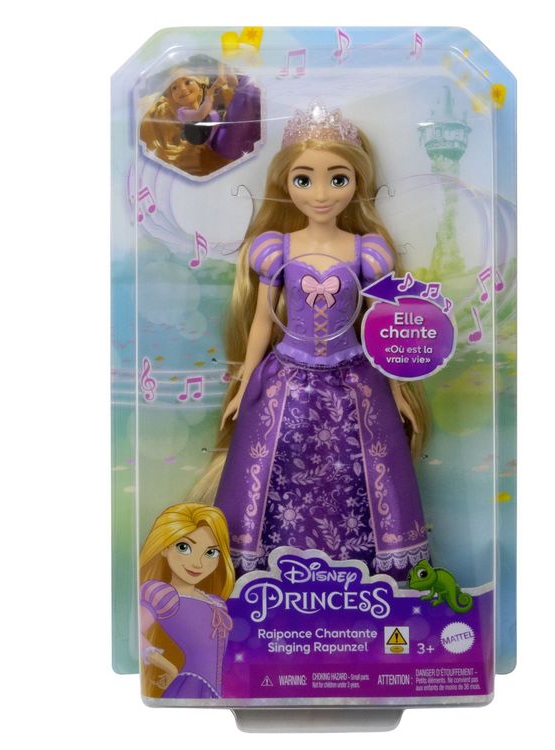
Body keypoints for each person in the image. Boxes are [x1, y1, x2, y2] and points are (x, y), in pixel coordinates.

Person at [190, 102, 430, 578]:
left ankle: (360, 574)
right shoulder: (277, 248)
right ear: (286, 183)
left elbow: (383, 326)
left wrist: (400, 389)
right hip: (287, 379)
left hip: (354, 380)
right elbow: (263, 321)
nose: (321, 194)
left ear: (357, 181)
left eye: (337, 179)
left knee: (359, 473)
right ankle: (273, 572)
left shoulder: (366, 251)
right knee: (276, 470)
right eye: (304, 179)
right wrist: (244, 383)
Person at [139, 503, 234, 699]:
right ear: (165, 548)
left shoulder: (216, 602)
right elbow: (133, 632)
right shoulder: (163, 594)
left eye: (211, 553)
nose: (198, 563)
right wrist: (169, 667)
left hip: (220, 693)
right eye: (184, 547)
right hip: (190, 687)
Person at [139, 66, 261, 177]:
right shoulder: (183, 113)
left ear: (198, 83)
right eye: (174, 88)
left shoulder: (206, 102)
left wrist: (218, 85)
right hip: (222, 145)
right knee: (243, 102)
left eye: (187, 82)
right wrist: (211, 94)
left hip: (226, 136)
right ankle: (246, 87)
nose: (182, 89)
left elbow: (211, 108)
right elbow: (201, 114)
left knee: (247, 112)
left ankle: (242, 86)